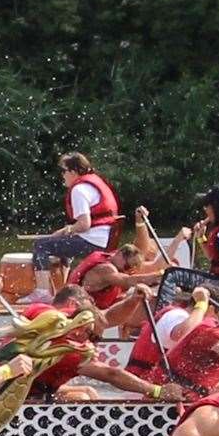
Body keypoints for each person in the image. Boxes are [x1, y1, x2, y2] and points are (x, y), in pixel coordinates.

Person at [13, 286, 183, 403]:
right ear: (74, 304)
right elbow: (111, 374)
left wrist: (133, 300)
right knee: (82, 399)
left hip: (31, 385)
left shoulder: (57, 315)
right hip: (17, 398)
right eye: (91, 336)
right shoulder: (70, 347)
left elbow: (107, 317)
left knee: (89, 391)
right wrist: (157, 391)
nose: (90, 342)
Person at [27, 152, 120, 304]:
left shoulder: (79, 190)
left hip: (93, 242)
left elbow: (84, 224)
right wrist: (66, 232)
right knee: (63, 245)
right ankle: (62, 288)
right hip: (102, 239)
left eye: (64, 171)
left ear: (73, 171)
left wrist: (65, 231)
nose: (62, 175)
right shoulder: (94, 183)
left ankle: (42, 292)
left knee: (41, 245)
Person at [67, 243, 161, 313]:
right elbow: (127, 280)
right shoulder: (107, 269)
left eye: (130, 270)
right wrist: (158, 276)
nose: (127, 271)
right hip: (76, 309)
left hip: (86, 305)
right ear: (120, 254)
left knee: (133, 296)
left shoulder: (110, 257)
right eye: (127, 266)